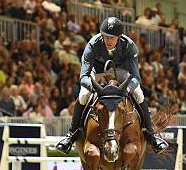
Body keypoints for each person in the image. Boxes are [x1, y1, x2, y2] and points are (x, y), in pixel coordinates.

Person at [56, 17, 168, 154]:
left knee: (138, 94)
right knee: (83, 95)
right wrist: (96, 88)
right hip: (98, 73)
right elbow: (83, 76)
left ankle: (151, 136)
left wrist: (126, 89)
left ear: (119, 37)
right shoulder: (92, 44)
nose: (108, 41)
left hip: (122, 73)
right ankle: (71, 135)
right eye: (105, 37)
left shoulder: (129, 45)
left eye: (112, 38)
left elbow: (136, 77)